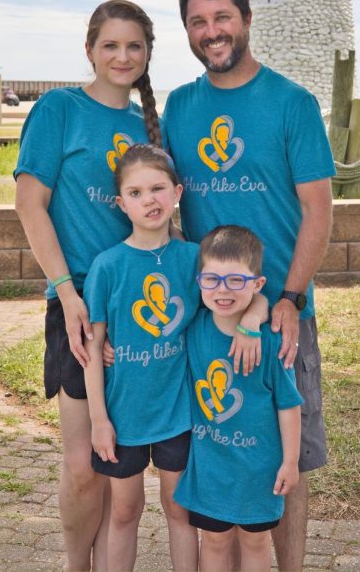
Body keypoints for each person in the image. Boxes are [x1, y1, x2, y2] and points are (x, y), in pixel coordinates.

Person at [161, 0, 335, 571]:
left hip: (281, 316)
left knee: (289, 455)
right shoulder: (179, 107)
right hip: (206, 318)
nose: (212, 32)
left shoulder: (292, 103)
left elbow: (318, 208)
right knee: (216, 448)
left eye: (222, 17)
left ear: (247, 18)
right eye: (198, 22)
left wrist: (288, 296)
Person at [12, 0, 163, 572]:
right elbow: (31, 205)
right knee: (82, 465)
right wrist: (67, 292)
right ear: (89, 50)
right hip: (76, 307)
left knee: (119, 465)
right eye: (111, 45)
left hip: (141, 311)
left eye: (134, 46)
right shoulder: (59, 110)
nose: (122, 56)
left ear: (147, 54)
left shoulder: (150, 126)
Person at [84, 145, 269, 572]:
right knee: (125, 511)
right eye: (135, 192)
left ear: (178, 192)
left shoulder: (192, 260)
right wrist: (98, 419)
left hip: (181, 413)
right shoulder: (107, 267)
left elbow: (249, 296)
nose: (148, 200)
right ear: (120, 203)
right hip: (123, 415)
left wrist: (251, 323)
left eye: (157, 188)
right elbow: (94, 348)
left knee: (178, 510)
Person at [174, 225, 303, 572]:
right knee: (213, 542)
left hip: (259, 469)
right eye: (212, 280)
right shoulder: (193, 328)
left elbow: (288, 406)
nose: (223, 290)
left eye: (235, 281)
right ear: (198, 281)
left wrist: (290, 461)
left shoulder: (273, 343)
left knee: (255, 542)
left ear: (258, 285)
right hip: (210, 466)